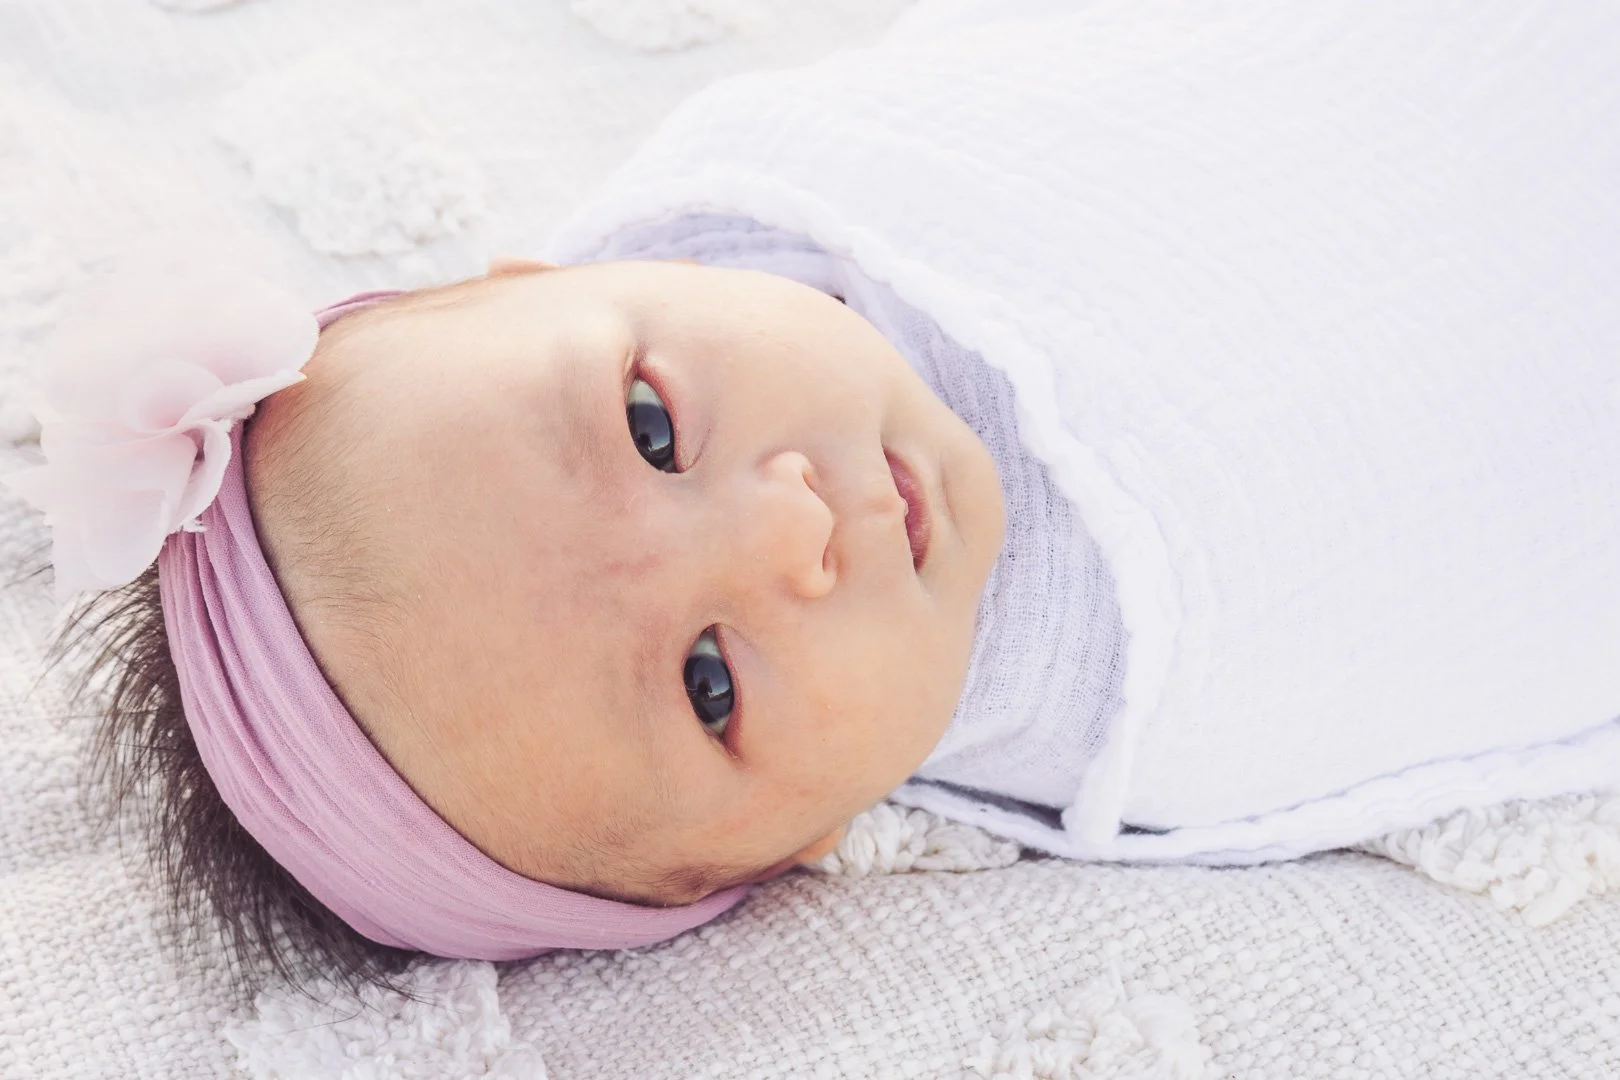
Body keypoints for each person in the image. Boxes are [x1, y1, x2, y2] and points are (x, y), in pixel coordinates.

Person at [10, 0, 1619, 989]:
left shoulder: (812, 179)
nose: (788, 528)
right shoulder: (1163, 687)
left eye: (649, 425)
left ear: (554, 269)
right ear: (780, 856)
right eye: (711, 683)